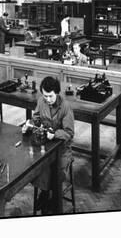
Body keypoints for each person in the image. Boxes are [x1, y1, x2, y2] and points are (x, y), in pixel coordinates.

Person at [22, 76, 74, 214]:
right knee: (39, 166)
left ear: (56, 93)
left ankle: (54, 199)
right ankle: (45, 194)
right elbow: (36, 118)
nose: (48, 100)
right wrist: (29, 125)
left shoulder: (65, 107)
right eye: (45, 96)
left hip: (62, 148)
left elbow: (69, 133)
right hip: (46, 145)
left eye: (50, 96)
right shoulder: (41, 101)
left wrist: (55, 134)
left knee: (56, 170)